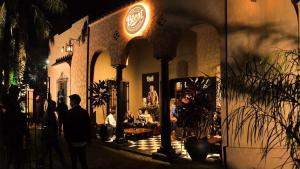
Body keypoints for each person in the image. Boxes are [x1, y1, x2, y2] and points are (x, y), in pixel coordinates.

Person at [39, 96, 66, 168]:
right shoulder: (49, 114)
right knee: (56, 150)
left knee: (47, 150)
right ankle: (63, 163)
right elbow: (48, 125)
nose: (55, 106)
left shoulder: (50, 113)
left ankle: (41, 162)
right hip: (51, 136)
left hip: (50, 135)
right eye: (54, 105)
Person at [64, 94, 91, 169]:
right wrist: (88, 140)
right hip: (82, 141)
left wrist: (67, 139)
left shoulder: (69, 113)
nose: (70, 102)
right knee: (83, 161)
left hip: (72, 141)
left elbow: (66, 128)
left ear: (73, 101)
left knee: (74, 162)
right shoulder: (84, 112)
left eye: (70, 101)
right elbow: (88, 127)